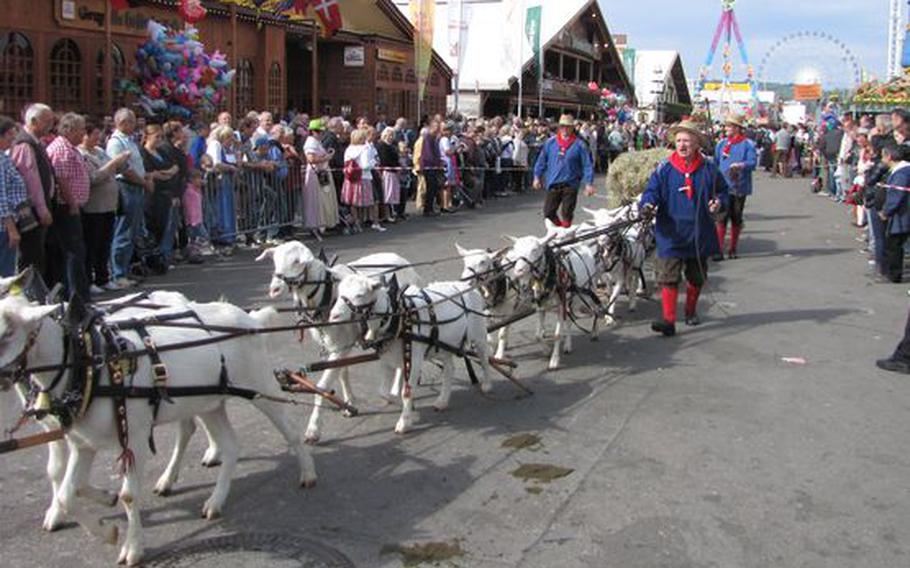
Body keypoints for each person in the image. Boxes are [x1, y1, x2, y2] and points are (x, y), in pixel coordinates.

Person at [639, 120, 728, 337]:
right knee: (667, 276)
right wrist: (648, 204)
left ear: (697, 143)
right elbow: (652, 191)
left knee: (696, 276)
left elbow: (723, 191)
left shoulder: (709, 168)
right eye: (678, 140)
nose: (682, 144)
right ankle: (669, 321)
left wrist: (718, 202)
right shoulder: (664, 169)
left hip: (699, 232)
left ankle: (690, 311)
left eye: (686, 140)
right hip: (671, 231)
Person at [78, 120, 130, 291]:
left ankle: (103, 278)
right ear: (85, 135)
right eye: (94, 135)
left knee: (104, 243)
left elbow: (117, 168)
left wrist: (122, 160)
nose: (98, 138)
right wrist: (113, 163)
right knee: (92, 244)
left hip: (109, 205)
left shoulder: (100, 151)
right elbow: (93, 178)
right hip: (93, 206)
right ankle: (89, 279)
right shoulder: (81, 154)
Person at [45, 113, 91, 300]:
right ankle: (75, 296)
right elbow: (61, 179)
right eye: (81, 129)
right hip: (66, 207)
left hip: (73, 206)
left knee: (75, 251)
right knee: (73, 252)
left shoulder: (70, 148)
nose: (83, 133)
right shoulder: (61, 149)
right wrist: (72, 203)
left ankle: (76, 293)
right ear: (70, 130)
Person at [107, 108, 151, 288]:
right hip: (127, 188)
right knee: (123, 231)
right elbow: (124, 169)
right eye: (131, 122)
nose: (134, 125)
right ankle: (117, 273)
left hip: (137, 188)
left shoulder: (129, 141)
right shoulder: (116, 142)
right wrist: (142, 182)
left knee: (132, 231)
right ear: (122, 123)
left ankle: (125, 269)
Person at [10, 103, 55, 276]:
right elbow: (31, 182)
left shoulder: (37, 143)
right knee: (31, 257)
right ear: (34, 121)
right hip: (32, 213)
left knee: (39, 256)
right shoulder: (25, 145)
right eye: (47, 121)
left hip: (40, 208)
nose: (51, 125)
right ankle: (29, 297)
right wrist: (42, 210)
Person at [532, 114, 595, 227]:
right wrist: (537, 176)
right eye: (562, 126)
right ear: (559, 128)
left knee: (567, 214)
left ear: (572, 128)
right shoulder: (550, 143)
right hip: (553, 183)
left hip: (570, 184)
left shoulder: (580, 145)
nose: (564, 129)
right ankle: (562, 230)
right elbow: (541, 161)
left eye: (567, 127)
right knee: (548, 212)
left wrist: (589, 183)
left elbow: (587, 165)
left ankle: (565, 232)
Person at [714, 115, 757, 260]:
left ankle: (733, 248)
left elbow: (752, 163)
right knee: (721, 217)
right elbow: (716, 162)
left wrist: (741, 165)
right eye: (726, 126)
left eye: (729, 126)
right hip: (722, 187)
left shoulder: (747, 144)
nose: (726, 129)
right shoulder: (721, 144)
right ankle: (718, 249)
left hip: (739, 186)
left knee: (736, 217)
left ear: (737, 128)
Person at [140, 124, 182, 267]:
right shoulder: (143, 152)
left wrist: (165, 173)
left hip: (167, 194)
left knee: (166, 226)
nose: (159, 140)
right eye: (156, 137)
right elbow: (150, 173)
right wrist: (165, 173)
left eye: (161, 137)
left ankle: (164, 256)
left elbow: (175, 168)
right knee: (153, 226)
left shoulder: (162, 151)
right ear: (147, 137)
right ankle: (154, 259)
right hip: (153, 195)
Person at [0, 115, 27, 276]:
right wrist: (11, 229)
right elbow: (1, 197)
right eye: (10, 134)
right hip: (3, 227)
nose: (13, 138)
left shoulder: (4, 156)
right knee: (5, 275)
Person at [879, 143, 910, 283]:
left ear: (889, 157)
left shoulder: (901, 174)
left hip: (901, 215)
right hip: (903, 213)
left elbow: (897, 195)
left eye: (883, 157)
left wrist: (886, 211)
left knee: (894, 246)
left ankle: (894, 274)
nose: (882, 161)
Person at [303, 119, 339, 234]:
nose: (321, 134)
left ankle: (321, 225)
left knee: (323, 199)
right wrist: (326, 158)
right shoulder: (311, 142)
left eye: (322, 132)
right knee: (316, 199)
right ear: (312, 131)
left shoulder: (316, 142)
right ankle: (315, 225)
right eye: (318, 131)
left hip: (322, 172)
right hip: (316, 174)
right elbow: (311, 159)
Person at [205, 125, 239, 247]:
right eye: (229, 138)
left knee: (228, 207)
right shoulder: (216, 145)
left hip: (226, 181)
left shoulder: (225, 148)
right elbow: (216, 163)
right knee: (221, 208)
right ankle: (222, 236)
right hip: (220, 181)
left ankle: (229, 235)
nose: (231, 141)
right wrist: (230, 167)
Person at [342, 128, 380, 232]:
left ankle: (356, 223)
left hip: (350, 178)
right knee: (363, 202)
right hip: (363, 177)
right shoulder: (365, 149)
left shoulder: (349, 149)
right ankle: (362, 222)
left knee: (353, 203)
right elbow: (365, 165)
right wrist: (374, 163)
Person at [419, 120, 443, 216]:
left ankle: (430, 208)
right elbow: (429, 154)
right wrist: (437, 163)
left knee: (433, 188)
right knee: (430, 188)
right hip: (429, 167)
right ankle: (428, 209)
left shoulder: (434, 138)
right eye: (436, 127)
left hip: (434, 166)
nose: (438, 130)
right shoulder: (428, 137)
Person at [377, 127, 402, 222]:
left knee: (392, 194)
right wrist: (396, 167)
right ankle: (387, 215)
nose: (390, 137)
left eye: (392, 135)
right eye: (388, 135)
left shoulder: (392, 146)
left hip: (393, 172)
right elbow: (384, 160)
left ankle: (391, 214)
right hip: (387, 172)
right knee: (387, 194)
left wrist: (398, 166)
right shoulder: (382, 146)